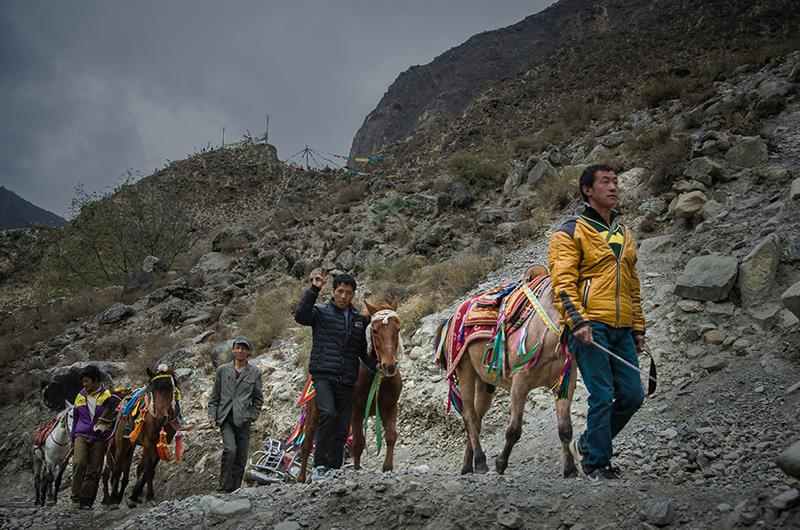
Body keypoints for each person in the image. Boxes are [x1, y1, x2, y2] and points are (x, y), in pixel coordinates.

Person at [547, 163, 646, 480]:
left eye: (616, 181)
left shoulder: (624, 233)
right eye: (605, 182)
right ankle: (597, 463)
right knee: (602, 395)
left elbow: (633, 285)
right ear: (587, 190)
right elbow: (562, 281)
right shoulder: (570, 231)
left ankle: (589, 442)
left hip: (622, 328)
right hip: (590, 326)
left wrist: (638, 327)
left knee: (633, 395)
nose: (614, 187)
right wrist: (577, 321)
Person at [294, 270, 378, 481]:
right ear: (333, 291)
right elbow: (300, 316)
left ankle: (334, 468)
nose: (343, 296)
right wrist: (314, 289)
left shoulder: (359, 320)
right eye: (339, 291)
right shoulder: (320, 312)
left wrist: (376, 365)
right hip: (323, 376)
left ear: (353, 295)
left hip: (347, 379)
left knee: (342, 425)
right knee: (328, 414)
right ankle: (319, 464)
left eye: (348, 293)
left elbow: (361, 352)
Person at [208, 336, 264, 492]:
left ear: (248, 352)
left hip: (244, 420)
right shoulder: (222, 370)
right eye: (237, 348)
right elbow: (215, 396)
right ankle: (223, 486)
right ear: (233, 350)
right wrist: (212, 416)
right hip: (225, 418)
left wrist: (252, 416)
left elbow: (258, 399)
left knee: (241, 456)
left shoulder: (255, 373)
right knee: (230, 450)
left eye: (243, 348)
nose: (240, 351)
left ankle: (235, 488)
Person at [70, 365, 112, 509]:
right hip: (81, 435)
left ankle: (86, 500)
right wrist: (72, 436)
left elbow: (110, 418)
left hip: (99, 437)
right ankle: (75, 497)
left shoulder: (107, 396)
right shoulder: (80, 395)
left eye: (86, 381)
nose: (84, 384)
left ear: (95, 380)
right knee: (79, 463)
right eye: (83, 381)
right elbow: (75, 418)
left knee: (94, 470)